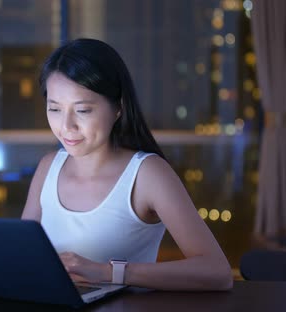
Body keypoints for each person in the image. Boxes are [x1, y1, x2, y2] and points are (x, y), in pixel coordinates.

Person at [21, 38, 233, 291]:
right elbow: (22, 254)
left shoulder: (147, 174)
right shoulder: (48, 167)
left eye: (83, 111)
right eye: (54, 109)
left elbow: (217, 272)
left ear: (118, 108)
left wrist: (107, 272)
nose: (66, 126)